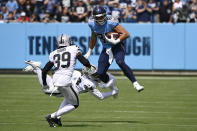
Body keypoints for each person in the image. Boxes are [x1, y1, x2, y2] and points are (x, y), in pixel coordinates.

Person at [39, 34, 112, 127]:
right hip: (65, 80)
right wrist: (89, 67)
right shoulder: (73, 48)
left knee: (69, 97)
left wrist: (45, 84)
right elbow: (84, 62)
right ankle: (52, 116)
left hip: (56, 79)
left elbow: (45, 70)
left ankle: (57, 118)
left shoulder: (54, 53)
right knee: (75, 104)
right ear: (68, 41)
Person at [23, 60, 118, 127]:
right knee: (47, 90)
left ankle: (57, 117)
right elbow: (100, 97)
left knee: (68, 99)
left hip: (66, 88)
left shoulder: (77, 73)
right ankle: (37, 69)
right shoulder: (90, 83)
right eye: (94, 74)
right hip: (64, 88)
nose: (97, 76)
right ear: (88, 74)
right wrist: (112, 92)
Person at [84, 5, 144, 92]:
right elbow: (93, 38)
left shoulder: (111, 22)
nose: (100, 19)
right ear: (94, 17)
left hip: (117, 45)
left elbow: (126, 34)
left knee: (120, 62)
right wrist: (89, 51)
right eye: (98, 17)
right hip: (106, 48)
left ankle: (135, 83)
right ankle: (111, 83)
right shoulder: (92, 24)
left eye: (102, 16)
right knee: (100, 73)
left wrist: (116, 41)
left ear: (105, 15)